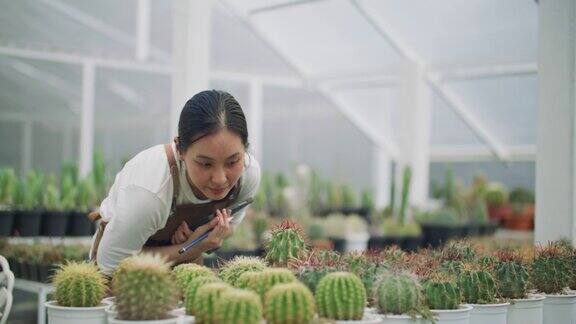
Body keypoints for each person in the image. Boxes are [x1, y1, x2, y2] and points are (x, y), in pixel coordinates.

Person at [89, 90, 261, 276]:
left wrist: (208, 236)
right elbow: (111, 263)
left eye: (232, 162)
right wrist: (189, 248)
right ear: (180, 149)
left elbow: (232, 223)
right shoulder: (151, 192)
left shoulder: (247, 175)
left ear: (245, 149)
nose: (220, 179)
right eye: (205, 164)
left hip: (185, 270)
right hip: (122, 280)